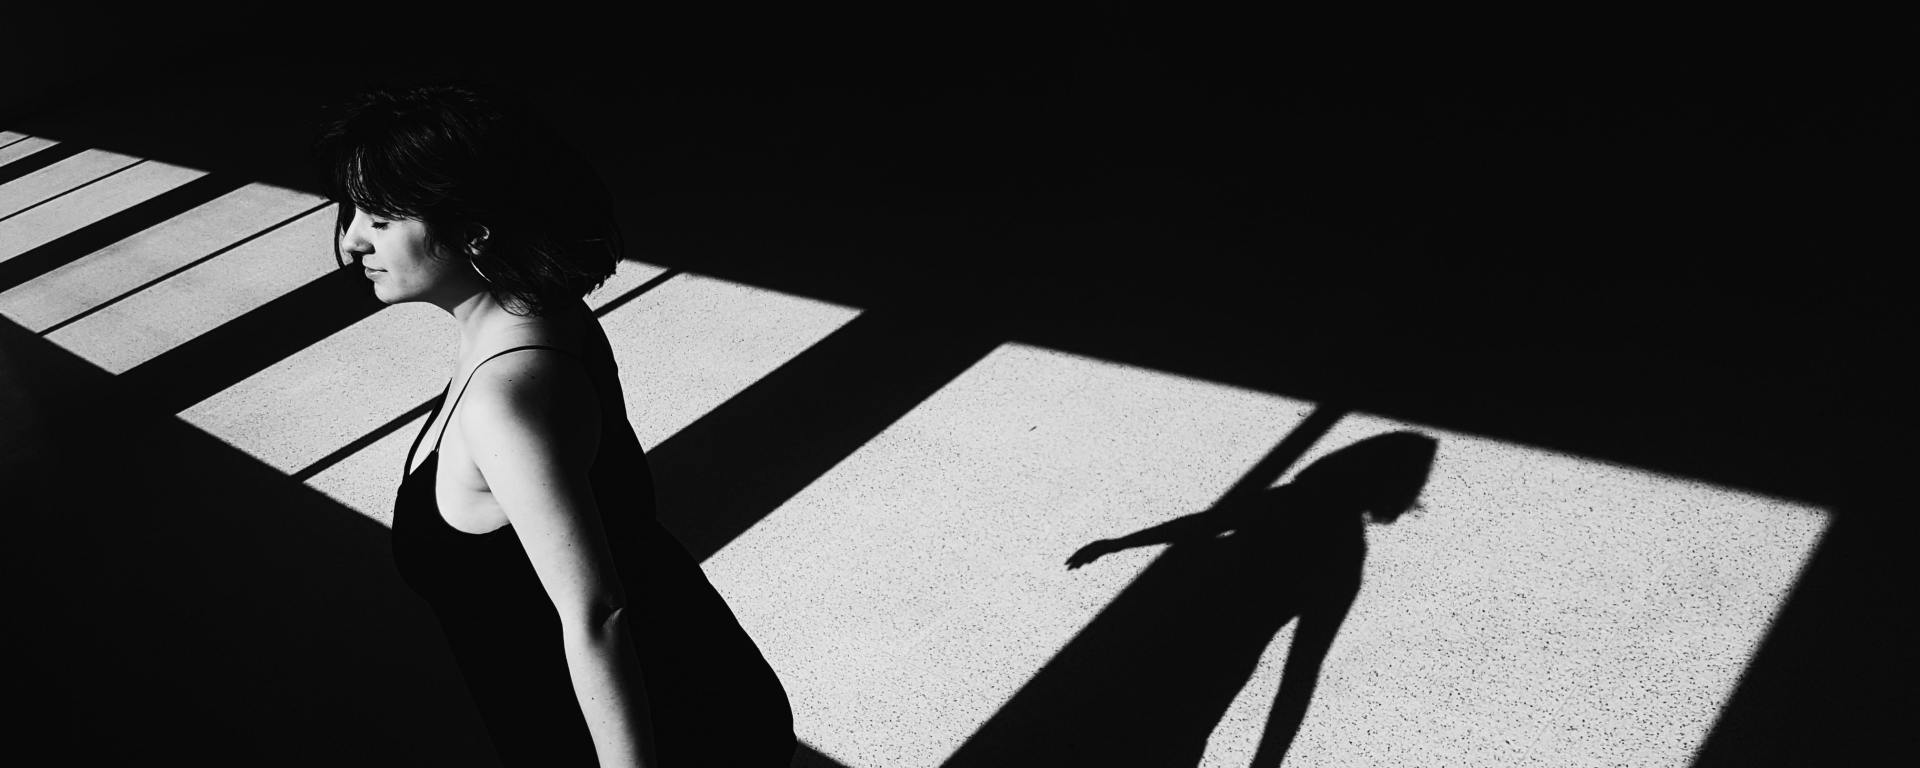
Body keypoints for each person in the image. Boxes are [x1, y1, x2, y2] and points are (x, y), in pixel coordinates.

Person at [315, 84, 796, 767]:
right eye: (354, 209)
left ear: (475, 229)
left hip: (665, 730)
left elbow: (598, 613)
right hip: (700, 676)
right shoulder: (544, 311)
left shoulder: (505, 402)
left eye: (382, 219)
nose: (350, 240)